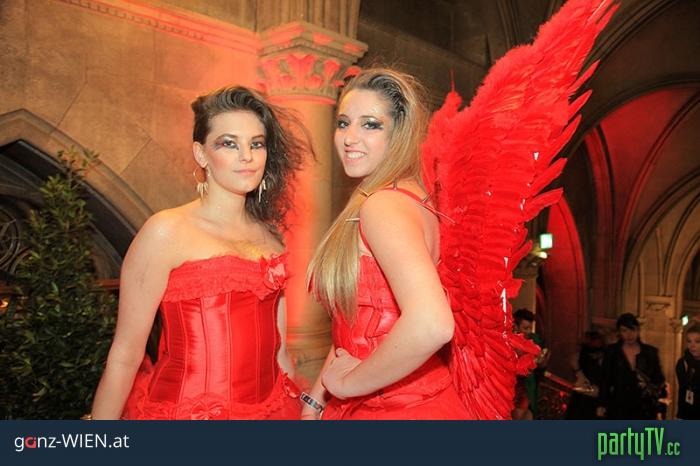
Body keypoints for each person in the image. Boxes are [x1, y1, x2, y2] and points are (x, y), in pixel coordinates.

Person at [90, 86, 306, 420]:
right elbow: (125, 356)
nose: (247, 156)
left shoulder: (271, 237)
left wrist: (302, 410)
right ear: (201, 153)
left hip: (272, 412)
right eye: (229, 143)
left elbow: (280, 353)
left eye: (256, 144)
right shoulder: (166, 231)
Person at [303, 68, 470, 420]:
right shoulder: (411, 198)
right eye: (344, 123)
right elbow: (356, 326)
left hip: (394, 410)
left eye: (371, 125)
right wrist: (317, 398)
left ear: (400, 133)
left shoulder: (383, 206)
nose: (350, 138)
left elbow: (432, 324)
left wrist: (346, 385)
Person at [598, 313, 665, 420]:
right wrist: (601, 404)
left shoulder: (650, 352)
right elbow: (605, 379)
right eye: (624, 331)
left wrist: (650, 387)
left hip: (644, 405)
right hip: (619, 404)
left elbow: (659, 377)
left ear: (638, 330)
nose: (629, 335)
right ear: (620, 332)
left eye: (632, 330)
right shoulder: (612, 351)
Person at [511, 309, 548, 419]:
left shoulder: (534, 340)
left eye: (530, 328)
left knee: (528, 415)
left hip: (528, 387)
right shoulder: (508, 341)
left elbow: (542, 364)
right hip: (512, 388)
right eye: (525, 328)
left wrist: (541, 360)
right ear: (515, 326)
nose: (528, 332)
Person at [565, 330, 605, 419]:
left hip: (591, 405)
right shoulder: (584, 359)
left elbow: (596, 391)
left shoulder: (602, 362)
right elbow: (579, 386)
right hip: (582, 404)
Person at [675, 323, 700, 419]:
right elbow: (682, 391)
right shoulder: (683, 363)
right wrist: (680, 416)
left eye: (697, 341)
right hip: (688, 415)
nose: (692, 345)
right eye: (689, 341)